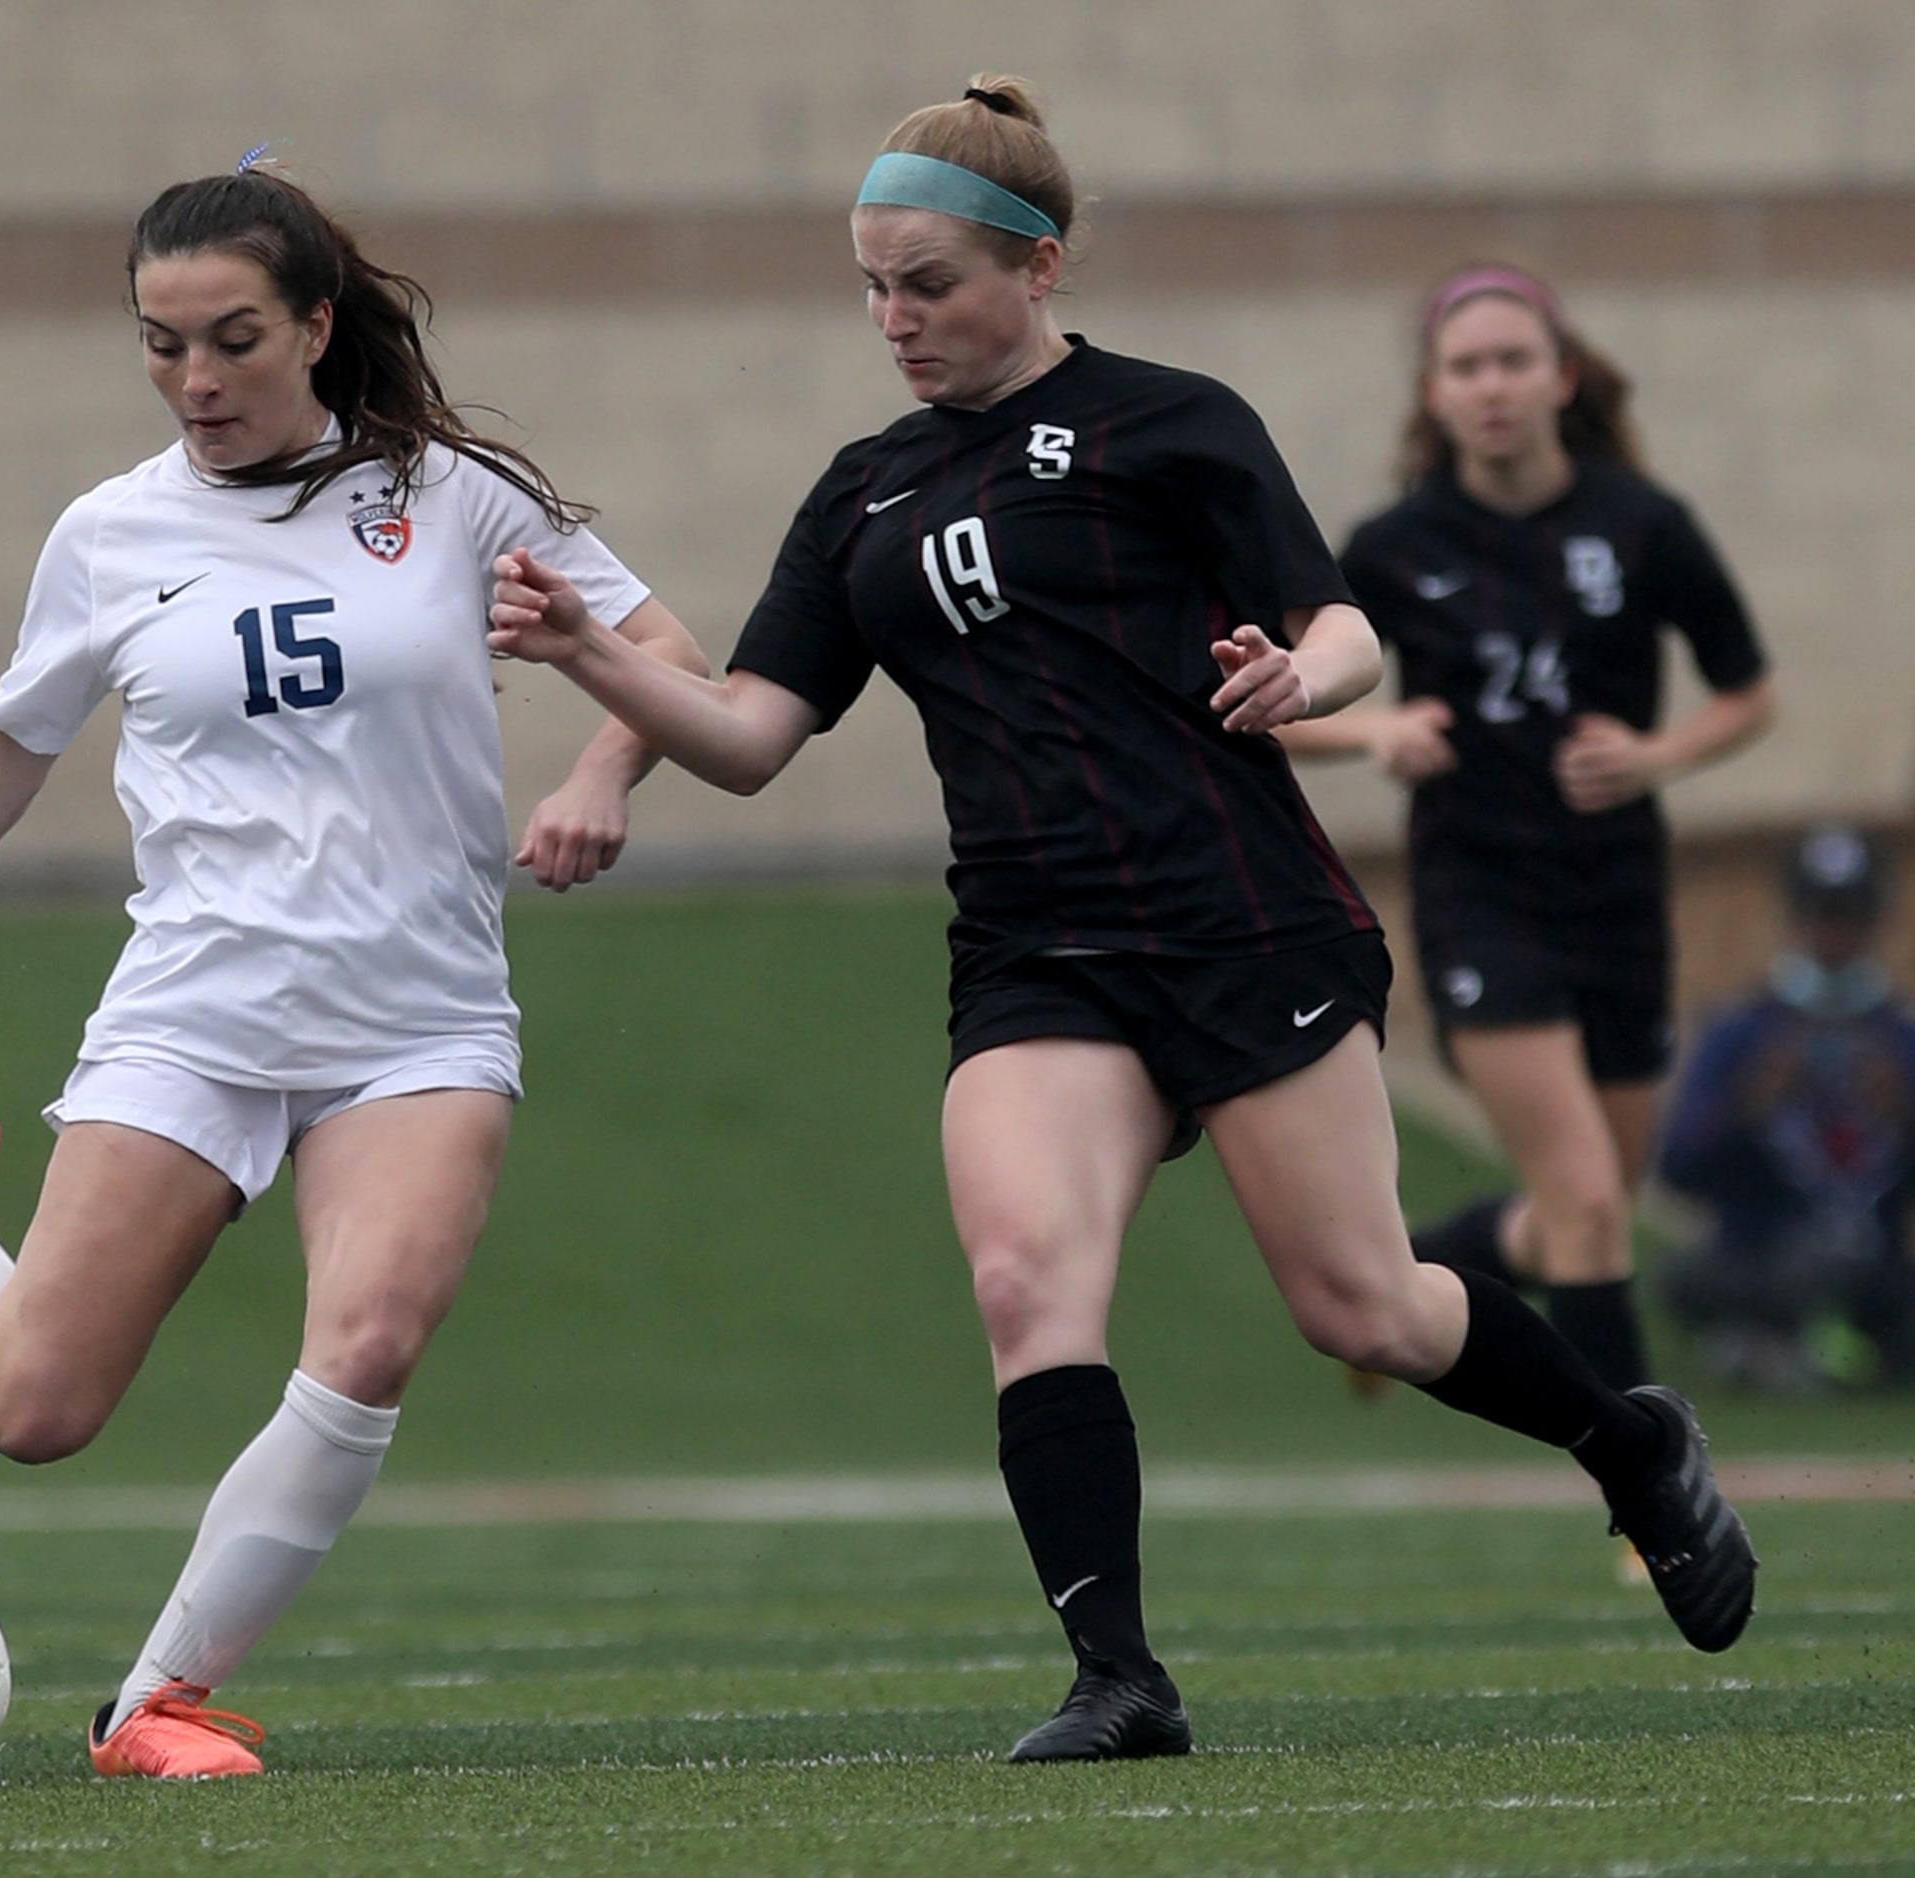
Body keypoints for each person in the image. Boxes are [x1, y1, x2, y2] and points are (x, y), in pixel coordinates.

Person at [483, 75, 1759, 1763]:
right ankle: (1119, 1674)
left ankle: (1625, 1439)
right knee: (1026, 1279)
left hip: (1238, 921)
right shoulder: (860, 492)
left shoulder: (1174, 423)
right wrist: (590, 668)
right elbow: (750, 736)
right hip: (1034, 950)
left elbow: (1346, 625)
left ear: (1040, 263)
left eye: (927, 283)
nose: (895, 319)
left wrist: (1304, 670)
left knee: (1362, 1307)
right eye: (871, 285)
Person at [0, 161, 705, 1779]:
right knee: (29, 1408)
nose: (196, 382)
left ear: (316, 325)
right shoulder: (111, 532)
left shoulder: (449, 494)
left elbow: (667, 655)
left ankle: (153, 1701)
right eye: (160, 345)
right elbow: (1, 758)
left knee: (371, 1332)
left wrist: (599, 769)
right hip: (197, 1011)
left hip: (418, 1015)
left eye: (232, 339)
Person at [1277, 262, 1776, 1402]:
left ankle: (1415, 1276)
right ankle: (1647, 1497)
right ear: (1433, 394)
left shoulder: (1641, 525)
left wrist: (1657, 756)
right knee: (1590, 1204)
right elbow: (1261, 704)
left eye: (1512, 361)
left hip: (1618, 897)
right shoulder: (1392, 545)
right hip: (1479, 899)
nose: (1490, 385)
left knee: (1583, 1213)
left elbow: (1750, 691)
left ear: (1561, 378)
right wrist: (1376, 732)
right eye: (1465, 367)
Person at [1657, 824, 1915, 1389]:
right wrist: (1750, 1103)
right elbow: (1678, 1166)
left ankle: (1777, 1350)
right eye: (1823, 913)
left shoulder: (1900, 1037)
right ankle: (1803, 1347)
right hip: (1762, 1256)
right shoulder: (1741, 1030)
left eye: (1849, 915)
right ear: (1796, 917)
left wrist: (1903, 1113)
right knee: (1686, 1278)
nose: (1835, 933)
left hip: (1870, 1259)